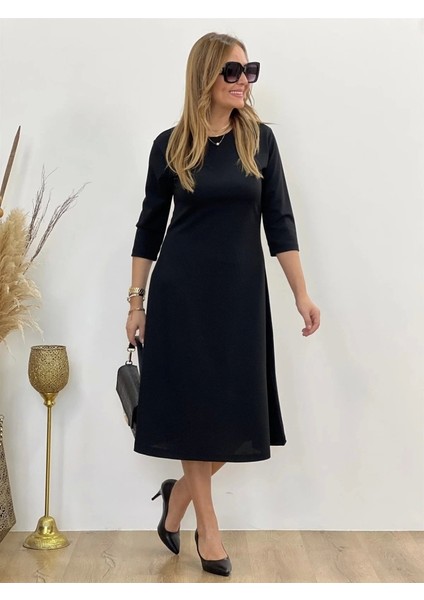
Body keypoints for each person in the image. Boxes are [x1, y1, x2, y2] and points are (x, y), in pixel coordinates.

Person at [126, 31, 320, 577]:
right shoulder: (170, 145)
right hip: (182, 297)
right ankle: (208, 532)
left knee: (236, 416)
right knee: (195, 414)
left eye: (248, 71)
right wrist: (136, 302)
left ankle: (178, 499)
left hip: (240, 298)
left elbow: (279, 220)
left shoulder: (259, 141)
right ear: (205, 76)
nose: (243, 81)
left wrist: (301, 293)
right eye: (232, 71)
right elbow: (148, 228)